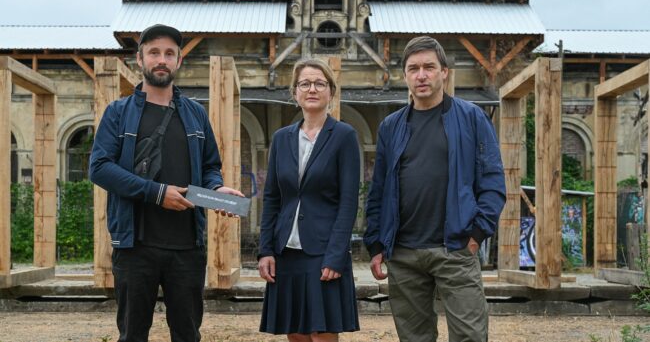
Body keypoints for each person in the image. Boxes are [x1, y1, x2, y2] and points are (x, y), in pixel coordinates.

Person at [89, 23, 243, 342]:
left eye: (169, 53)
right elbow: (100, 168)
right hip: (136, 247)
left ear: (178, 62)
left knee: (187, 334)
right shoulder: (118, 113)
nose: (162, 59)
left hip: (187, 247)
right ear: (140, 59)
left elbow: (211, 166)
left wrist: (216, 190)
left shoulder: (195, 114)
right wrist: (156, 193)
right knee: (133, 334)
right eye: (154, 52)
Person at [363, 36, 506, 342]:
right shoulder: (391, 126)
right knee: (414, 338)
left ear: (444, 72)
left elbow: (493, 182)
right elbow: (379, 190)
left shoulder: (471, 118)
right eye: (413, 68)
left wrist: (476, 235)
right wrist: (376, 244)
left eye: (429, 66)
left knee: (469, 336)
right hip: (403, 253)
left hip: (455, 248)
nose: (422, 75)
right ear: (405, 76)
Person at [258, 59, 360, 341]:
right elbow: (272, 198)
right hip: (285, 252)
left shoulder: (344, 136)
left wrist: (336, 254)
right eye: (305, 83)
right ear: (295, 93)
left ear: (331, 92)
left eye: (320, 83)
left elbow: (349, 201)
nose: (312, 89)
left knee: (321, 333)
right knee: (296, 333)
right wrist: (265, 250)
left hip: (323, 251)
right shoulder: (281, 139)